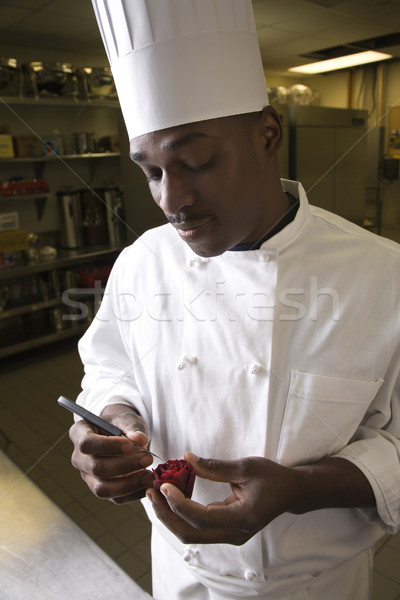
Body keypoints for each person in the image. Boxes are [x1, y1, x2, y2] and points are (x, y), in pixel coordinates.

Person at [69, 1, 400, 598]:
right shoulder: (143, 260)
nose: (173, 200)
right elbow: (109, 369)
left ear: (268, 134)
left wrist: (302, 490)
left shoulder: (382, 274)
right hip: (179, 576)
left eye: (196, 162)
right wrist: (111, 424)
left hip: (319, 587)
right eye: (150, 172)